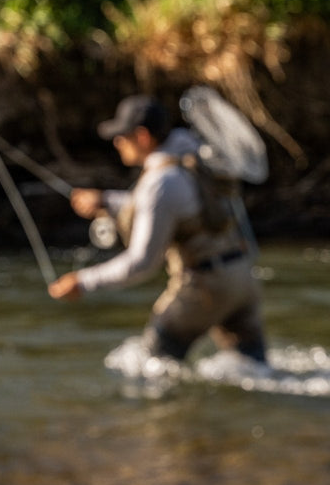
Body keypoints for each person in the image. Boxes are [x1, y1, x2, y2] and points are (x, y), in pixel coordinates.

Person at [48, 94, 268, 363]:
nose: (117, 143)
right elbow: (178, 206)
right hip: (242, 278)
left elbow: (142, 263)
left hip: (206, 288)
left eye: (122, 135)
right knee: (253, 370)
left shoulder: (160, 183)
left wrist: (82, 281)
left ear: (142, 136)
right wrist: (106, 201)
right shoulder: (194, 157)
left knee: (154, 363)